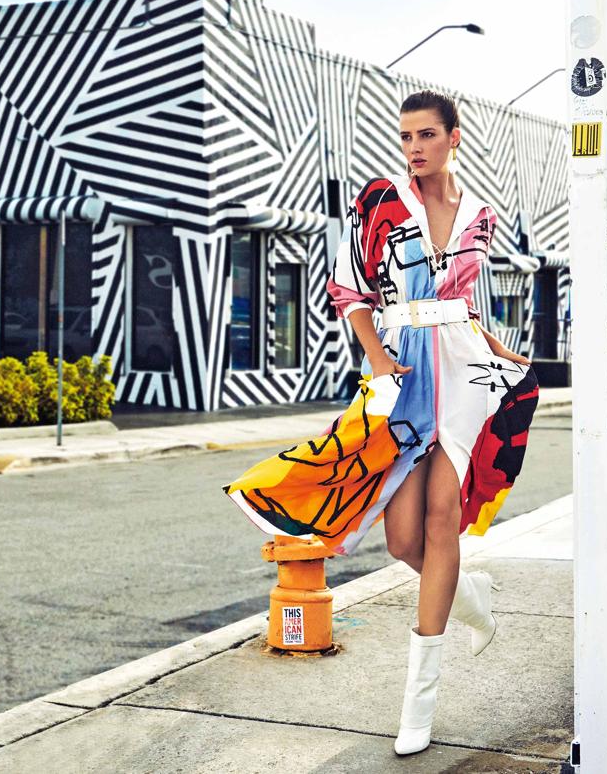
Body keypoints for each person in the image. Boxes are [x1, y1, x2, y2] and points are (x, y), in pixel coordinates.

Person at [222, 88, 540, 757]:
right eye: (405, 136)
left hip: (461, 374)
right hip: (400, 377)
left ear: (453, 139)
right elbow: (350, 293)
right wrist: (379, 363)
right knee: (401, 542)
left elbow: (461, 308)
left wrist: (499, 352)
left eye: (426, 135)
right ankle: (471, 601)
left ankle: (417, 704)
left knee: (440, 521)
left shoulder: (480, 215)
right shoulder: (379, 201)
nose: (413, 147)